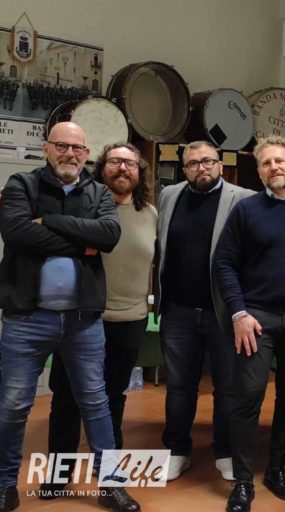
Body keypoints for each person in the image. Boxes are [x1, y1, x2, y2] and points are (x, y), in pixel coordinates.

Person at [0, 122, 139, 512]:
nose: (70, 154)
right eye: (62, 146)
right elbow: (16, 232)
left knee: (96, 402)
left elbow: (108, 235)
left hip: (82, 322)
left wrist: (49, 222)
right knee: (13, 404)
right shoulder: (22, 185)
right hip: (27, 319)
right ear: (47, 148)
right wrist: (82, 243)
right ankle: (5, 484)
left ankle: (110, 485)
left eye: (78, 148)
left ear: (86, 154)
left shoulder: (98, 192)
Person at [213, 135, 285, 512]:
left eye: (280, 161)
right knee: (248, 396)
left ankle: (276, 468)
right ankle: (243, 480)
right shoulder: (245, 211)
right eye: (266, 163)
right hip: (256, 318)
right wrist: (238, 313)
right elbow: (224, 263)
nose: (274, 167)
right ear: (260, 171)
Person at [42, 143, 157, 497]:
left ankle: (108, 476)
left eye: (130, 163)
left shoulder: (151, 213)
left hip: (131, 318)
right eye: (115, 161)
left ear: (140, 172)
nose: (123, 168)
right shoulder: (84, 206)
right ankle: (58, 473)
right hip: (80, 317)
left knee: (112, 397)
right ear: (101, 166)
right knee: (66, 397)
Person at [156, 140, 255, 481]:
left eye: (208, 161)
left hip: (223, 312)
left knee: (227, 388)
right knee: (179, 387)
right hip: (178, 311)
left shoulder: (243, 198)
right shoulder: (169, 196)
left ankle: (225, 450)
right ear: (184, 169)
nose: (202, 168)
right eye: (193, 163)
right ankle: (177, 450)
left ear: (220, 165)